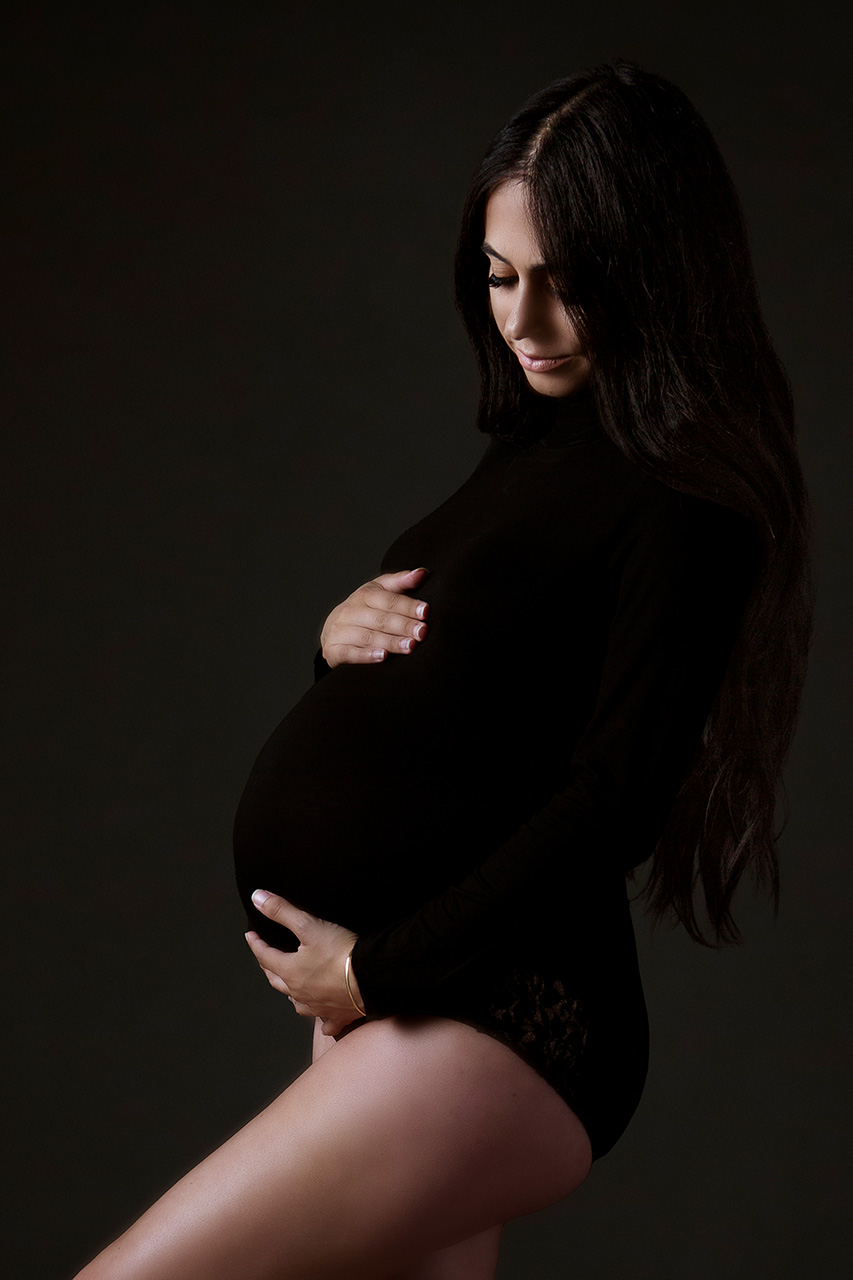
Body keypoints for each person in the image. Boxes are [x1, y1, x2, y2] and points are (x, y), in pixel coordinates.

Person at [73, 59, 813, 1280]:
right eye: (499, 275)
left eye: (567, 288)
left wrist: (372, 967)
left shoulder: (682, 500)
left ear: (657, 275)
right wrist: (334, 646)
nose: (522, 324)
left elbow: (613, 796)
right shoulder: (537, 441)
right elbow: (473, 709)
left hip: (499, 1013)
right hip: (408, 999)